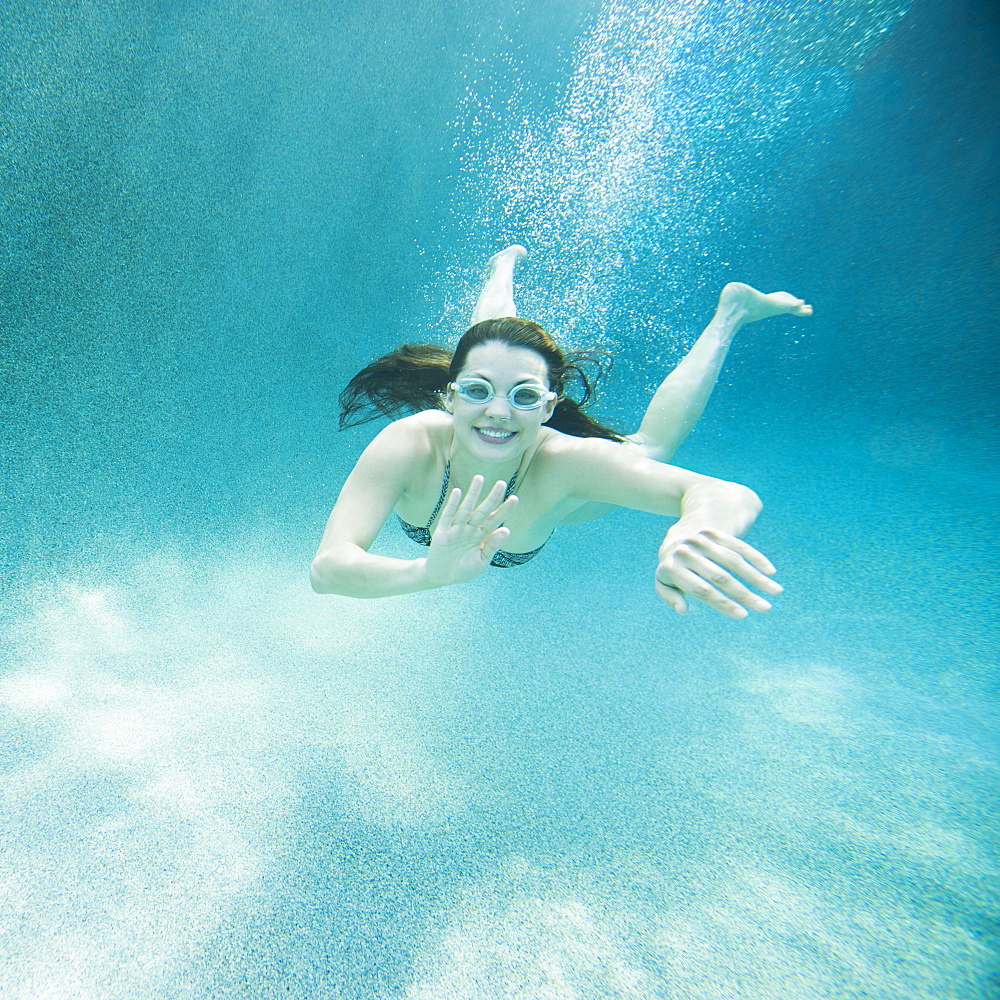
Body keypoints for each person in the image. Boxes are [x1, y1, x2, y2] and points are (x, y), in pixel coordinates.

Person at [310, 245, 812, 618]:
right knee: (496, 349)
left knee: (649, 448)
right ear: (448, 397)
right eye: (475, 392)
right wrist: (428, 574)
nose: (500, 413)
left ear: (550, 408)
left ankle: (731, 314)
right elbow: (327, 570)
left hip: (559, 500)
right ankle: (500, 269)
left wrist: (697, 527)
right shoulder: (410, 443)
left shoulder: (568, 464)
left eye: (527, 397)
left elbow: (725, 493)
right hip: (480, 462)